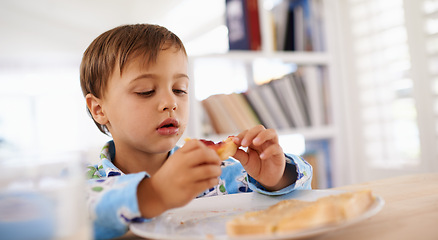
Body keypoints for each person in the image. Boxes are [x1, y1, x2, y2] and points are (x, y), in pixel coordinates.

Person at [80, 24, 313, 240]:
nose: (170, 102)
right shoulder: (83, 185)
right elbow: (78, 215)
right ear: (100, 110)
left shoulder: (218, 174)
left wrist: (277, 178)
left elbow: (302, 198)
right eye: (146, 91)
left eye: (179, 89)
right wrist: (156, 192)